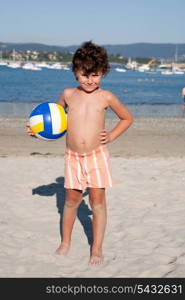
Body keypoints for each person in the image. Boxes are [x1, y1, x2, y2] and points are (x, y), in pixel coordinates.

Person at [27, 41, 133, 265]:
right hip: (73, 157)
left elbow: (127, 118)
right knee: (72, 200)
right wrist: (38, 131)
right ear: (75, 72)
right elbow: (55, 122)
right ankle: (65, 242)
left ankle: (96, 248)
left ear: (103, 72)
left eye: (95, 75)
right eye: (84, 74)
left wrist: (112, 135)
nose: (89, 80)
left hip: (97, 156)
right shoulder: (67, 95)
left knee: (98, 202)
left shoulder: (106, 97)